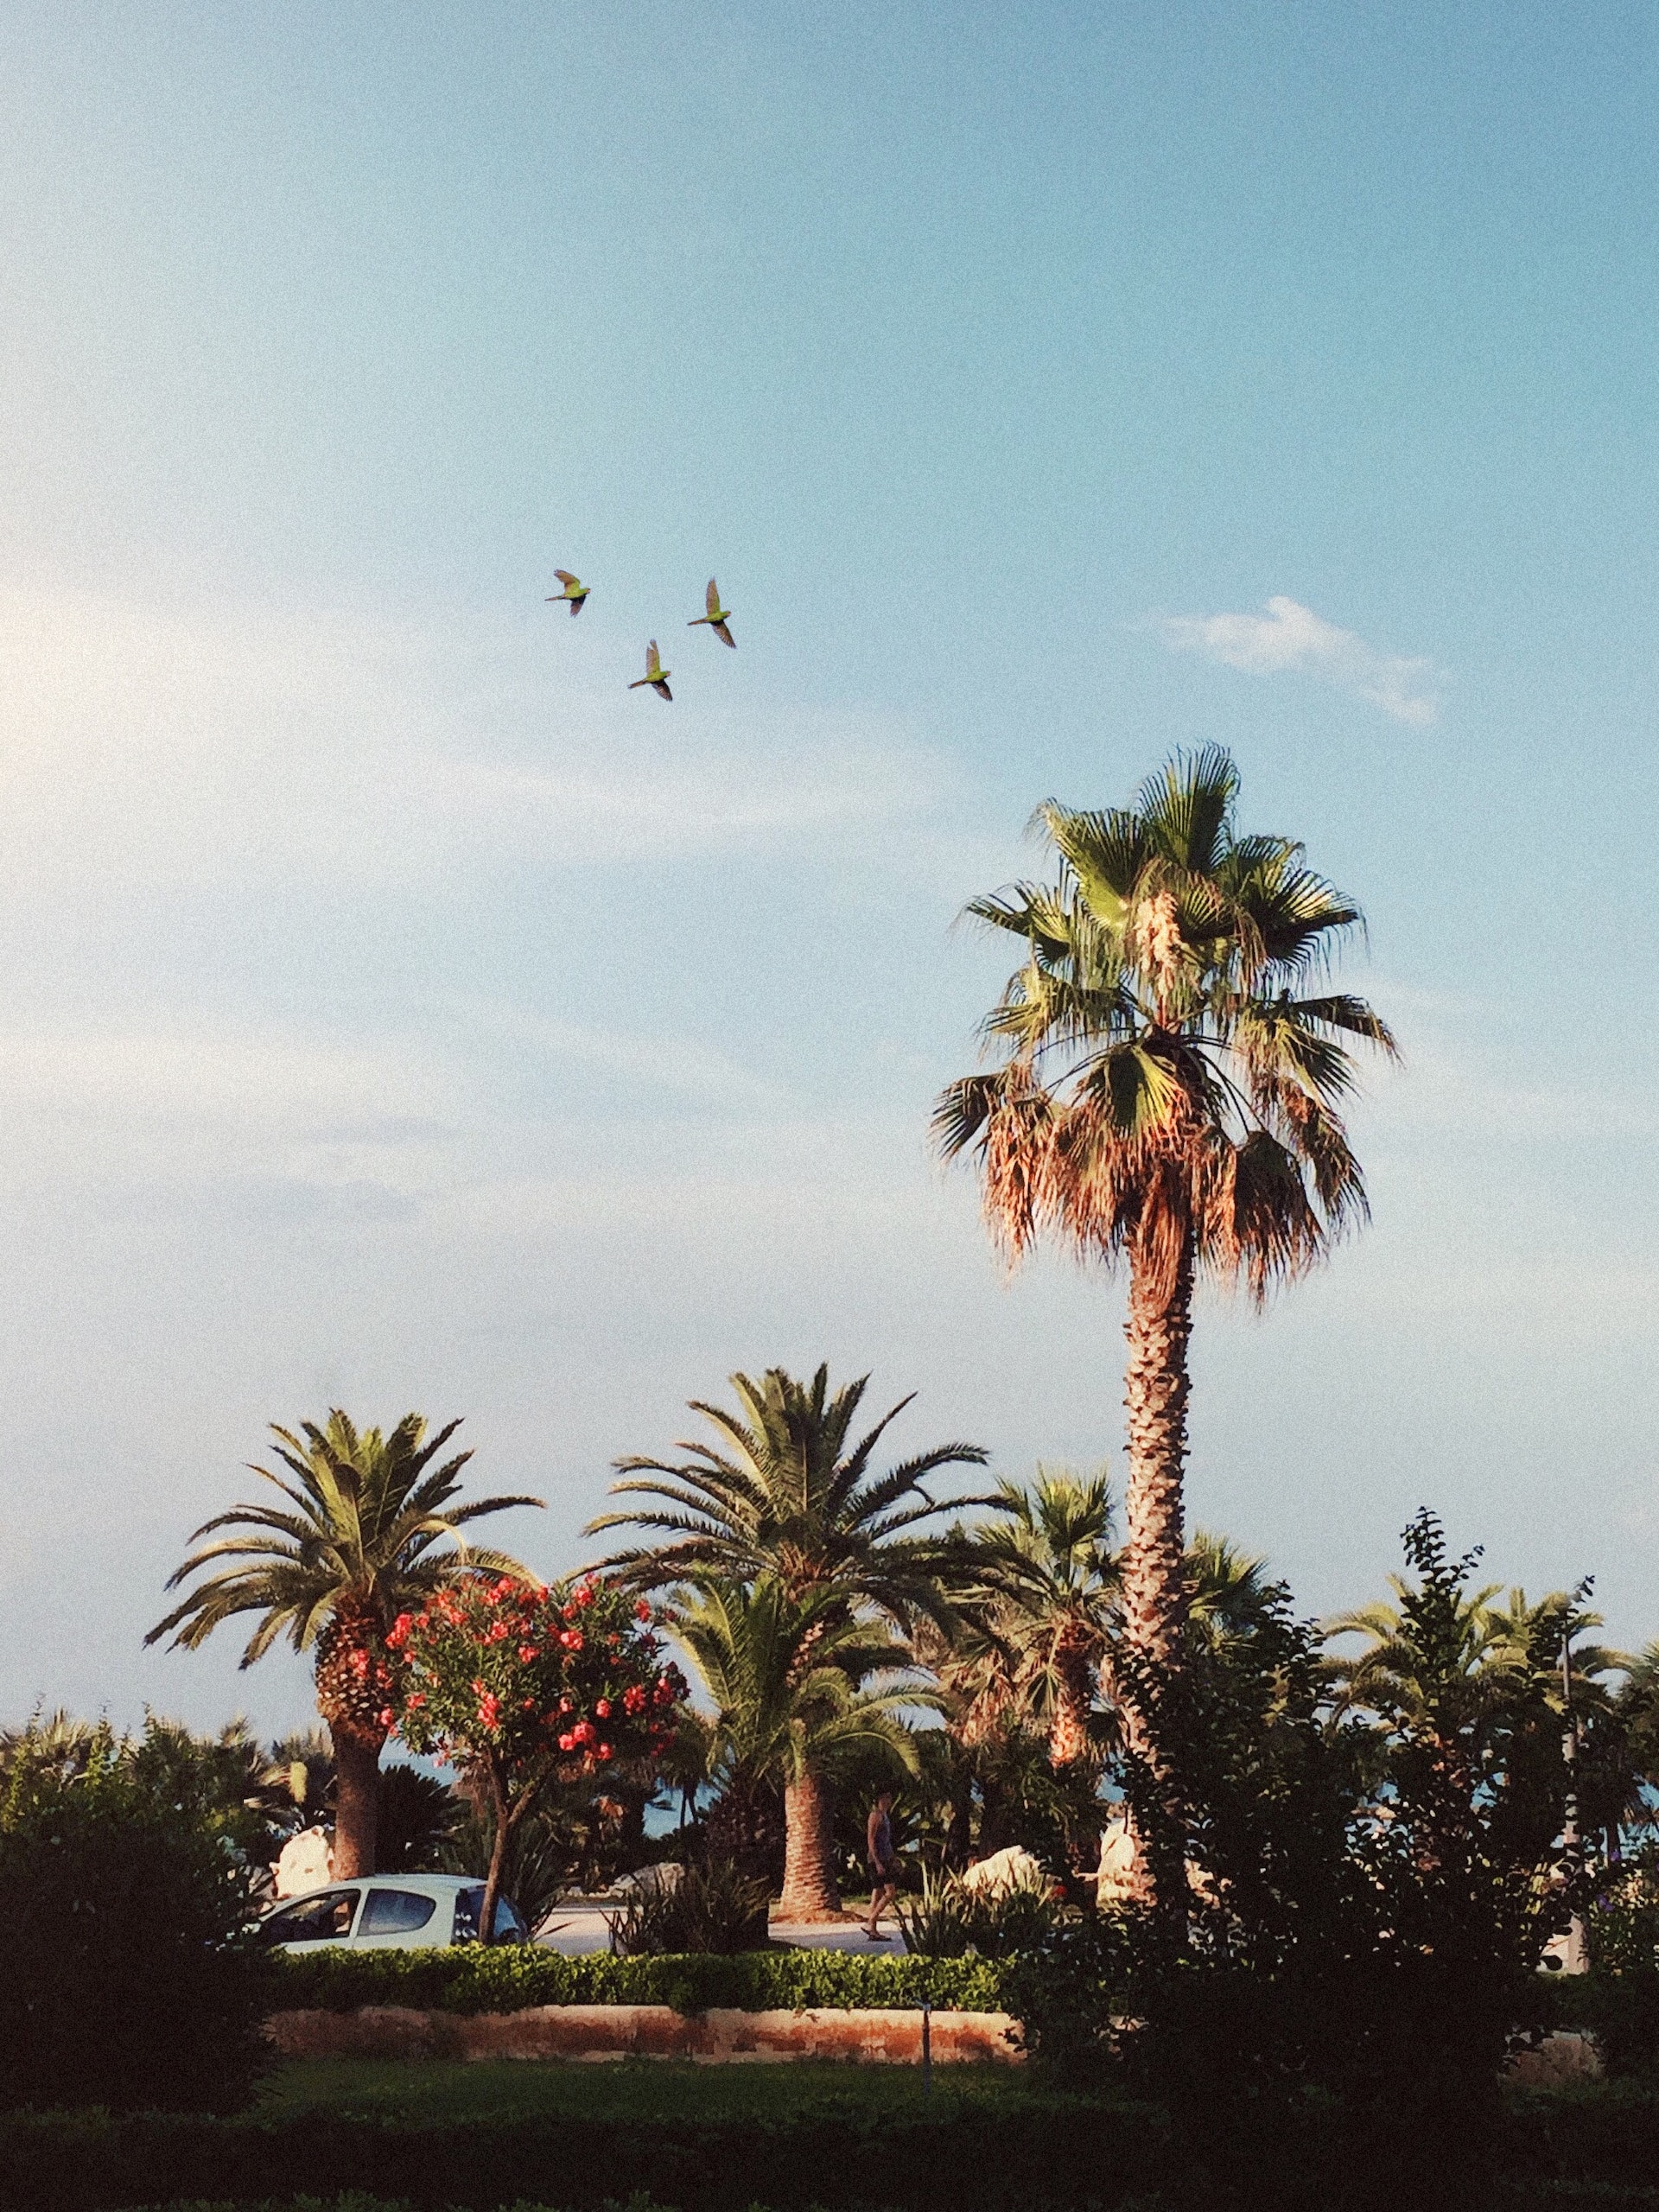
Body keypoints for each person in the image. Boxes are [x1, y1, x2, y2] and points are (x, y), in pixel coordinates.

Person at [864, 1789, 899, 1940]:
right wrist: (877, 1862)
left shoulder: (885, 1817)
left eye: (890, 1798)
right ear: (880, 1799)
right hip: (878, 1859)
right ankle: (871, 1920)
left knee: (877, 1893)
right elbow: (871, 1840)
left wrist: (893, 1858)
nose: (889, 1801)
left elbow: (886, 1841)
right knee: (890, 1892)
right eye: (886, 1798)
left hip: (886, 1857)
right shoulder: (875, 1816)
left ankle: (872, 1930)